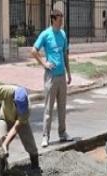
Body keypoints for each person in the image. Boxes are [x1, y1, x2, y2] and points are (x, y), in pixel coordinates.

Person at [31, 9, 72, 148]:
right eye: (60, 19)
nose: (61, 21)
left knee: (62, 107)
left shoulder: (63, 34)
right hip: (51, 77)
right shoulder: (46, 34)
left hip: (62, 76)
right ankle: (45, 137)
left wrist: (69, 73)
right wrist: (44, 64)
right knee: (48, 109)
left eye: (62, 19)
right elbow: (33, 51)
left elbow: (65, 55)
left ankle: (62, 133)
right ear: (53, 19)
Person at [0, 85, 39, 171]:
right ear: (14, 100)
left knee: (30, 144)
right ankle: (3, 171)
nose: (20, 110)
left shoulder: (26, 109)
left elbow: (16, 128)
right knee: (2, 140)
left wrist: (5, 143)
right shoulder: (7, 91)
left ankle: (35, 167)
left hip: (19, 121)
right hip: (5, 117)